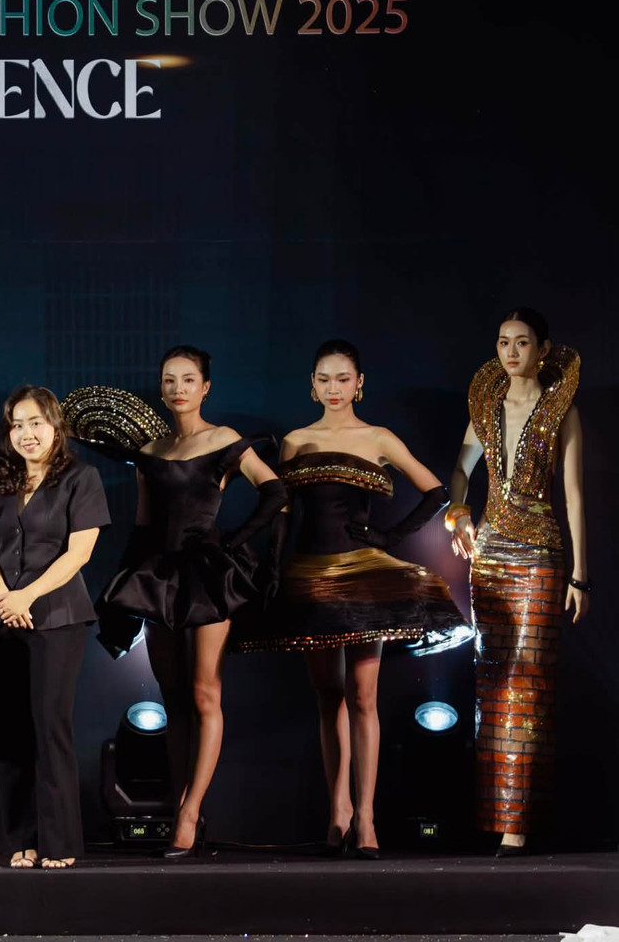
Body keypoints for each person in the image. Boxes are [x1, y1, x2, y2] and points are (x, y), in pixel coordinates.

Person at [240, 339, 471, 858]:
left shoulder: (378, 437)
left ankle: (366, 818)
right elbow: (282, 511)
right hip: (309, 576)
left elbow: (436, 492)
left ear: (360, 383)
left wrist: (389, 538)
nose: (333, 388)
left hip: (365, 578)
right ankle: (338, 812)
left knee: (363, 697)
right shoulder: (296, 441)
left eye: (343, 378)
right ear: (311, 384)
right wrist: (273, 568)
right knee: (328, 698)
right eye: (324, 379)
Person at [95, 346, 285, 859]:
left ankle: (188, 812)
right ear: (160, 389)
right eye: (169, 379)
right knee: (173, 699)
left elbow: (275, 492)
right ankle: (185, 808)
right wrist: (120, 590)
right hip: (159, 576)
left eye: (188, 379)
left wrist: (234, 540)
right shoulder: (150, 451)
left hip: (207, 575)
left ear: (205, 387)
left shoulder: (223, 439)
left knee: (204, 695)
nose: (178, 388)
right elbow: (142, 527)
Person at [447, 308, 586, 856]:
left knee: (530, 683)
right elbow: (460, 471)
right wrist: (457, 513)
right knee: (494, 682)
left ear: (543, 349)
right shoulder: (486, 406)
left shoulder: (561, 410)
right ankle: (499, 816)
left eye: (522, 342)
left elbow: (574, 496)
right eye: (503, 341)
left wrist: (581, 575)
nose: (510, 351)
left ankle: (518, 824)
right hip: (490, 555)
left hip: (542, 554)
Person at [0, 386, 109, 870]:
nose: (26, 433)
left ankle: (58, 842)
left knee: (50, 728)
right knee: (10, 731)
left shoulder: (81, 477)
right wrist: (2, 596)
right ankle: (18, 840)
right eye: (17, 425)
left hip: (56, 616)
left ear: (55, 426)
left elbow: (80, 552)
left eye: (36, 423)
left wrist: (26, 596)